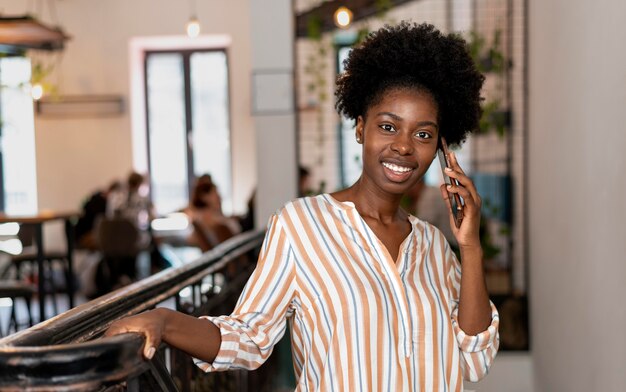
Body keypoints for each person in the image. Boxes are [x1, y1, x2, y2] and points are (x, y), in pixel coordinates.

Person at [106, 22, 499, 390]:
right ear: (360, 127)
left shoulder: (432, 245)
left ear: (441, 151)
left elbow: (475, 357)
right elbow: (249, 337)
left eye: (424, 134)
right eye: (388, 126)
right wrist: (164, 321)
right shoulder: (301, 225)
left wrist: (470, 246)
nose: (404, 146)